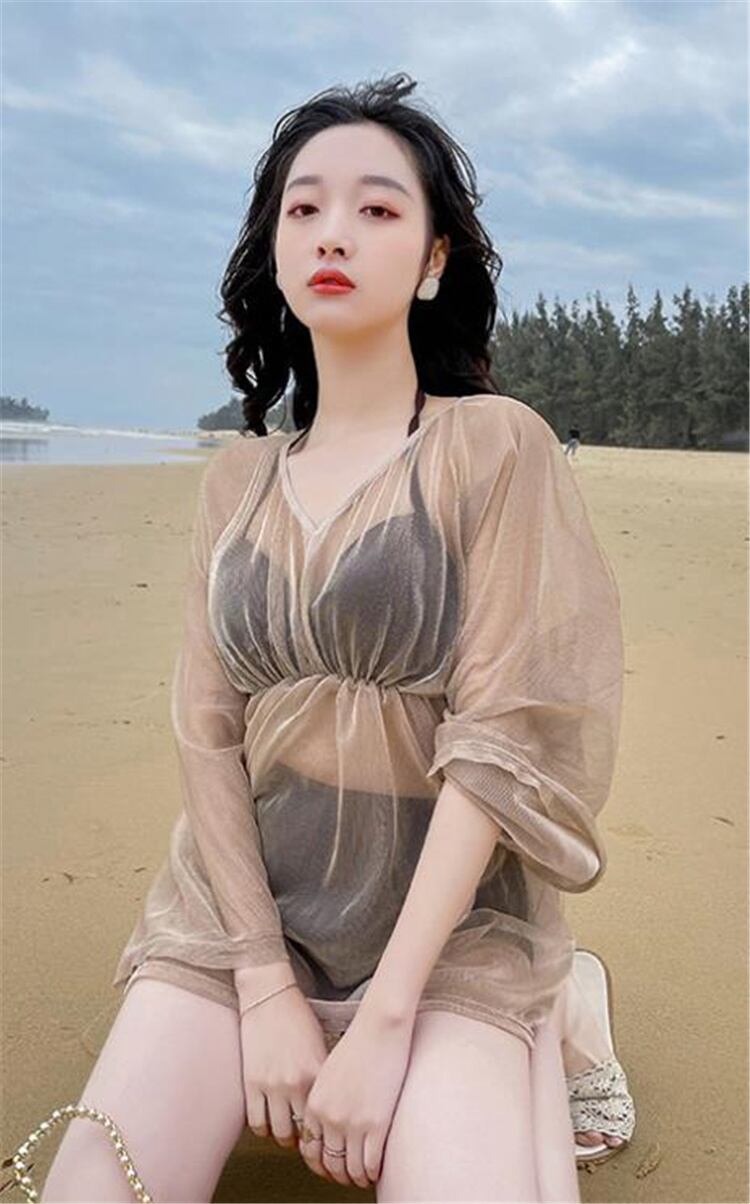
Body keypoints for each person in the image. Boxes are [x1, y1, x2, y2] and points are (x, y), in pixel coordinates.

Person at [39, 73, 631, 1203]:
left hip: (447, 928)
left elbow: (501, 738)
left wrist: (388, 1017)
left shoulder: (493, 446)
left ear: (435, 257)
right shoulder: (236, 480)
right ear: (272, 249)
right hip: (245, 906)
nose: (332, 232)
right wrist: (264, 980)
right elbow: (207, 732)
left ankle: (564, 1005)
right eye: (303, 207)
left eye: (377, 207)